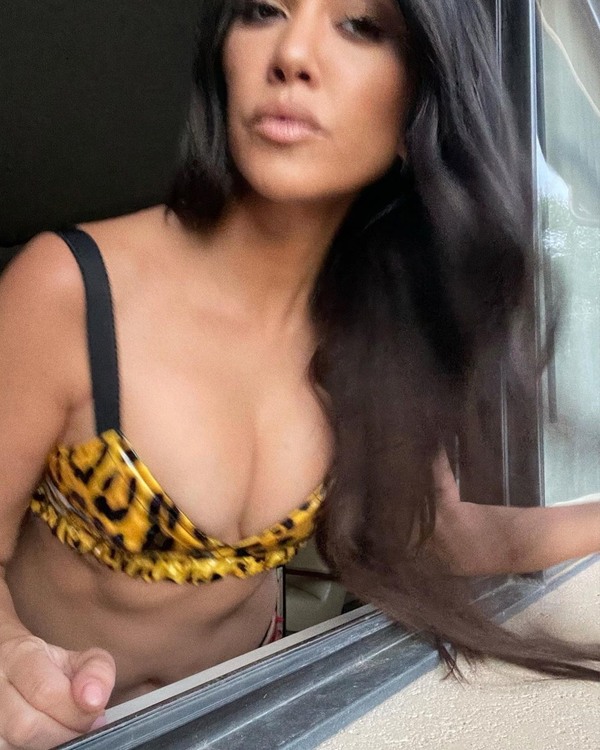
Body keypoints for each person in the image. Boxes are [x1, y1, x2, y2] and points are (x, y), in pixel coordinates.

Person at [0, 0, 598, 747]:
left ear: (417, 104)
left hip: (258, 718)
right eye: (263, 10)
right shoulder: (69, 289)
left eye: (359, 26)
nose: (292, 55)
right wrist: (9, 653)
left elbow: (447, 537)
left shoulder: (371, 336)